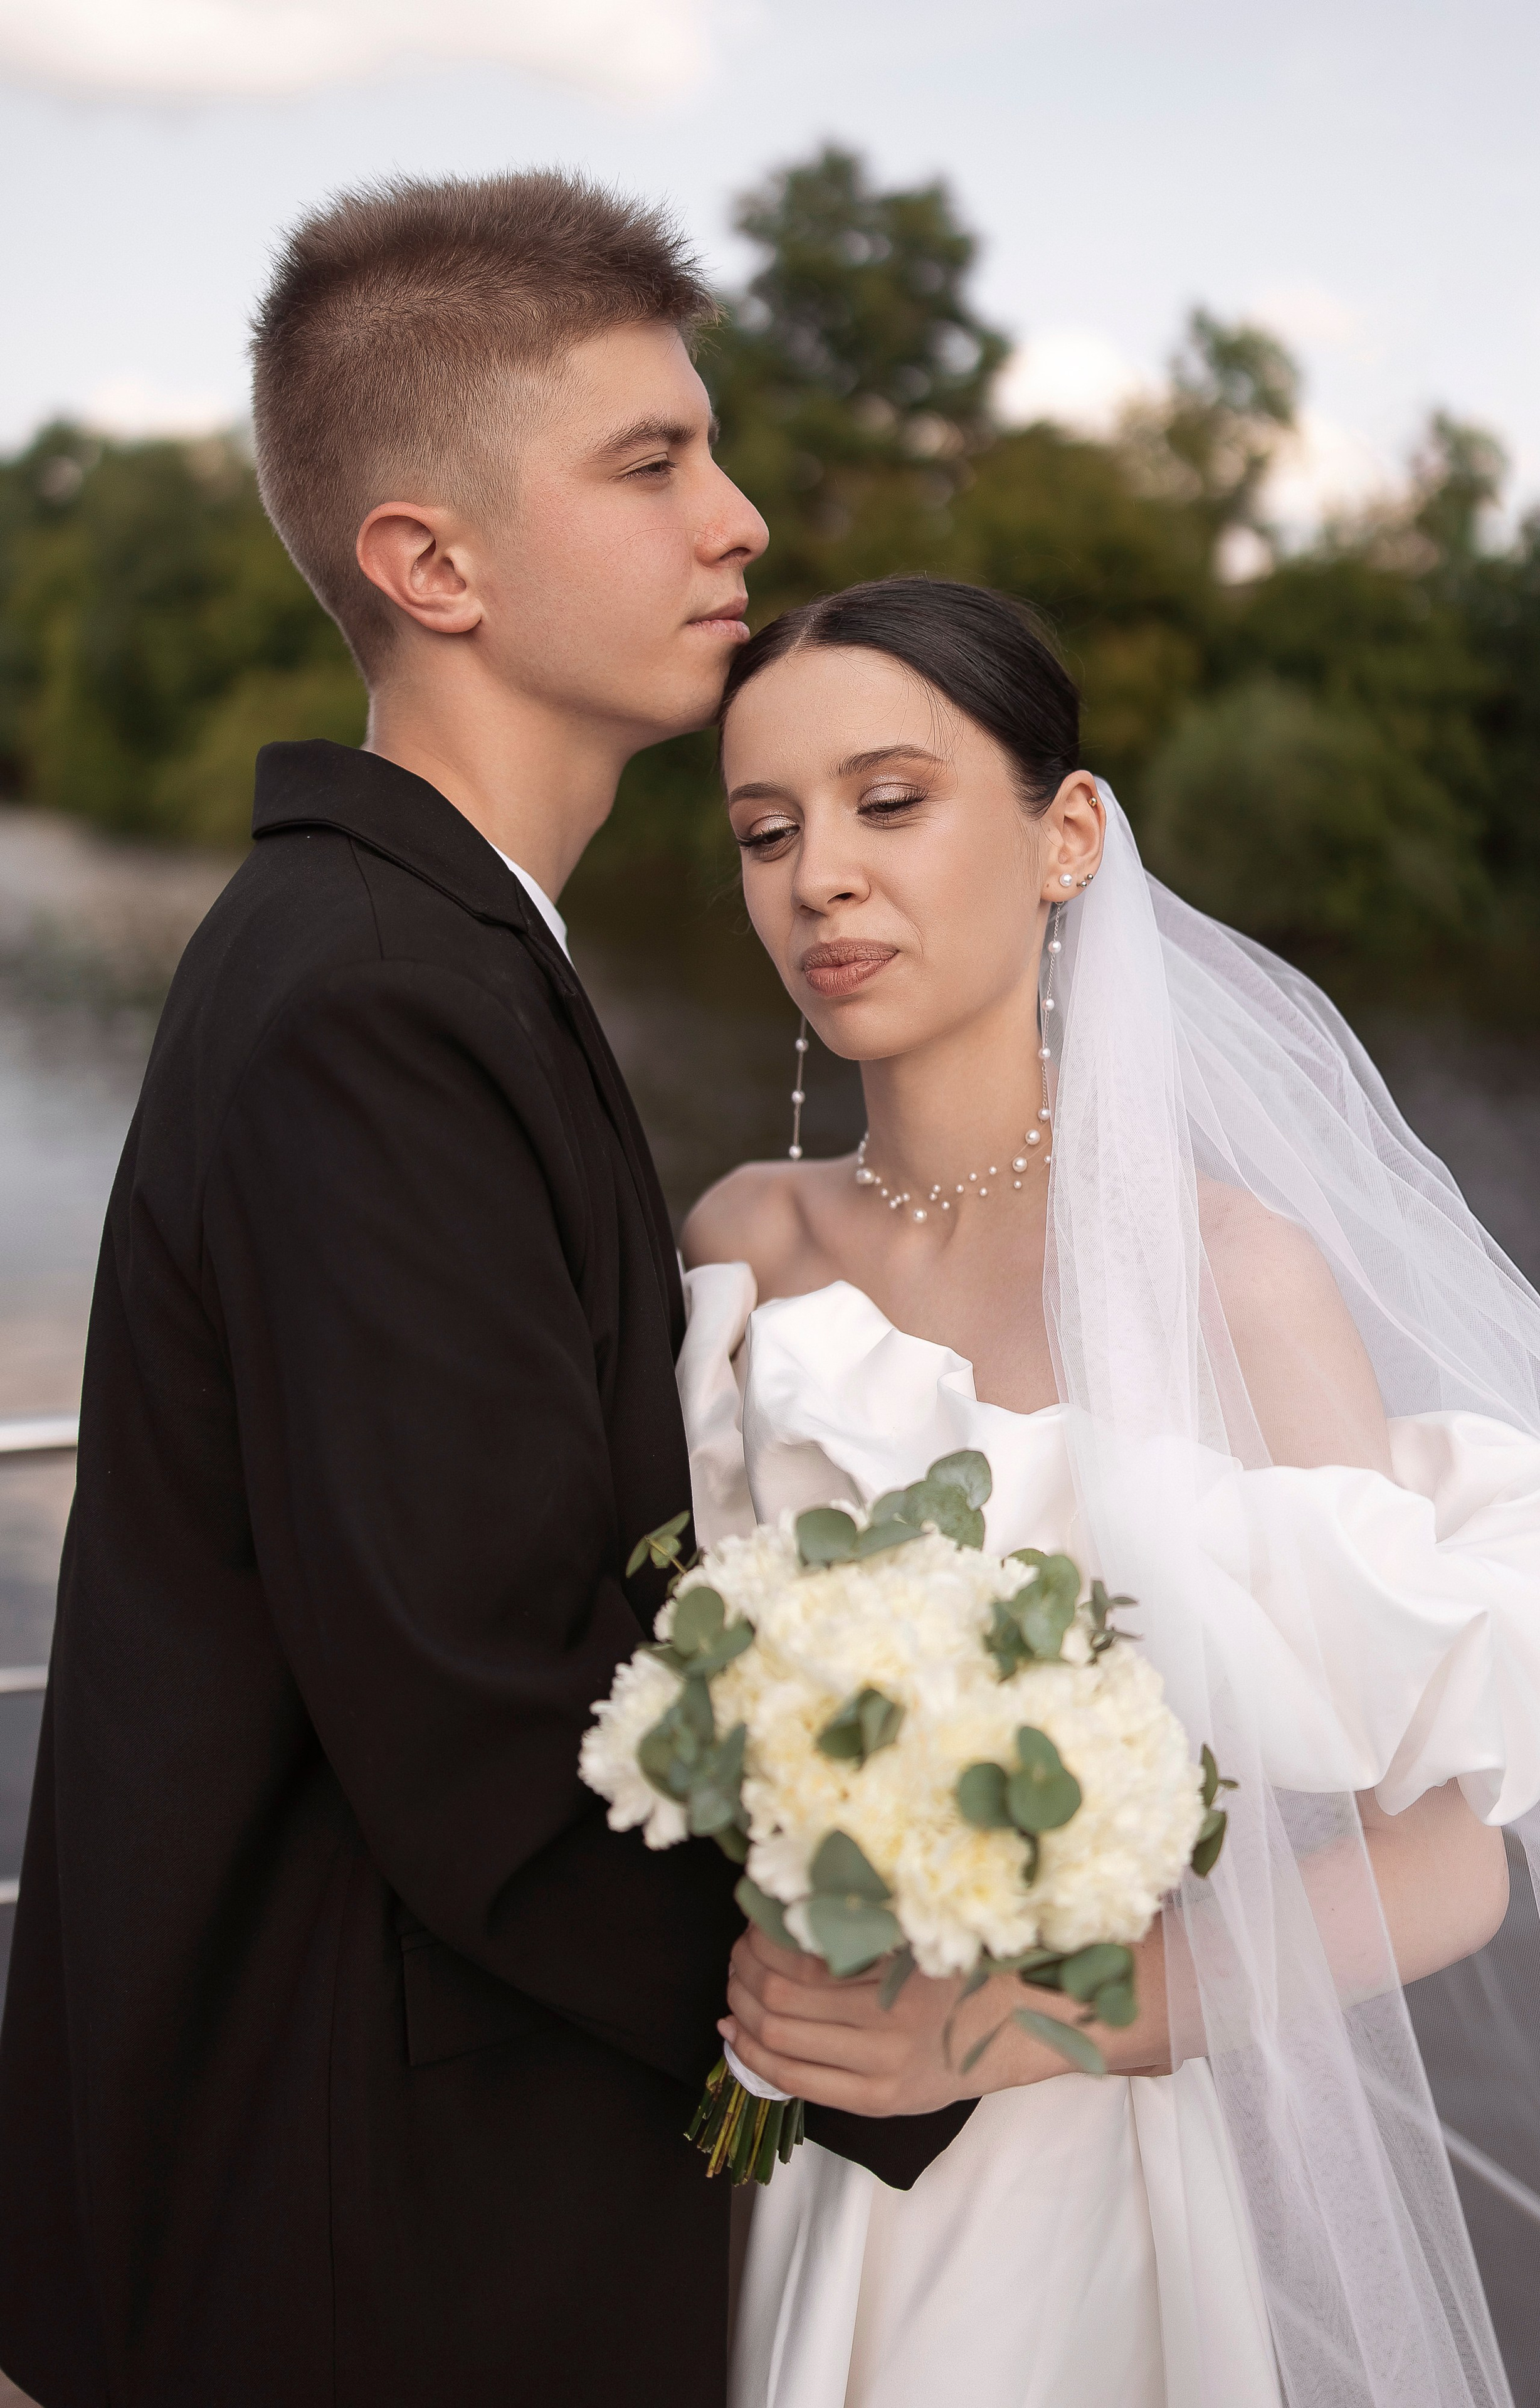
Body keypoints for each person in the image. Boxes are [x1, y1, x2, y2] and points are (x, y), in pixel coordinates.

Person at [0, 176, 963, 2408]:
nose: (738, 519)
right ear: (431, 565)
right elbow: (484, 1713)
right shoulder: (373, 998)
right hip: (379, 2224)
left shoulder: (430, 950)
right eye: (651, 462)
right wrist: (907, 2029)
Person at [679, 576, 1540, 2408]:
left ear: (1068, 836)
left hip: (1067, 2177)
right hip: (767, 2106)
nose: (819, 881)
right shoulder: (740, 1241)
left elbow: (1443, 1865)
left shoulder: (1228, 1281)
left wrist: (1011, 2029)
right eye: (765, 834)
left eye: (890, 802)